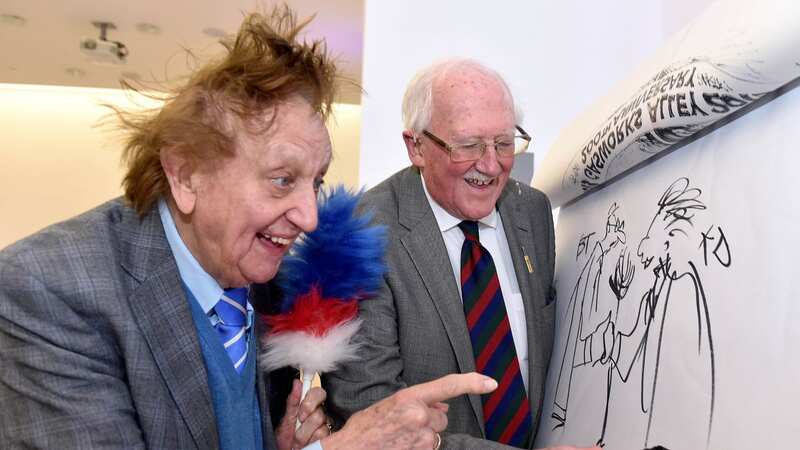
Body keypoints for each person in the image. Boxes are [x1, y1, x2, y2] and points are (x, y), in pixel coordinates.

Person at [0, 9, 496, 450]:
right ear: (186, 174)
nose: (309, 217)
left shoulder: (270, 285)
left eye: (315, 182)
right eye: (282, 181)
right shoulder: (48, 291)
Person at [324, 59, 598, 450]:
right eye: (468, 145)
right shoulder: (360, 235)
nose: (491, 165)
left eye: (504, 143)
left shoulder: (532, 212)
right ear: (416, 146)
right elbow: (373, 415)